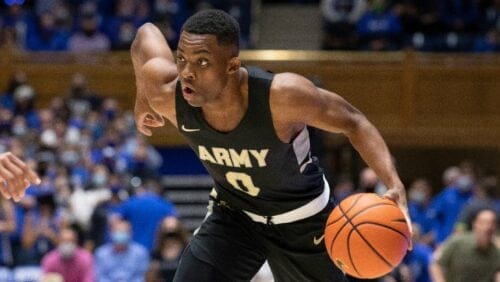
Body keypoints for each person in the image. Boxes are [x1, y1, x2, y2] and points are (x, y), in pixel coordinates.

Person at [131, 9, 412, 281]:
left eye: (202, 62)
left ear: (232, 66)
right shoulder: (169, 93)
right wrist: (143, 99)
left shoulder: (283, 97)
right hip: (235, 217)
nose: (187, 72)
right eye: (181, 58)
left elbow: (354, 122)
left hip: (304, 221)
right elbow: (144, 34)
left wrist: (394, 184)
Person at [430, 208, 500, 282]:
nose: (487, 228)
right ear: (475, 224)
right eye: (483, 223)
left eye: (492, 224)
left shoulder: (496, 253)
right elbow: (436, 265)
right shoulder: (457, 242)